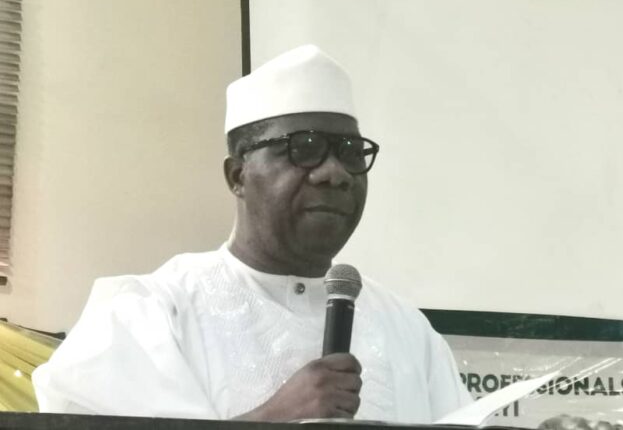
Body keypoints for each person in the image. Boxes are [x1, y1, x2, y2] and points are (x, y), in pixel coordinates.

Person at [32, 45, 472, 423]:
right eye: (304, 148)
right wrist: (270, 420)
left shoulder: (407, 331)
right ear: (237, 175)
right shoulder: (150, 317)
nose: (335, 173)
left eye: (351, 152)